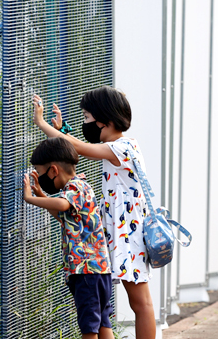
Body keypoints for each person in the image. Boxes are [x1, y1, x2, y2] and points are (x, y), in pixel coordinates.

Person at [32, 87, 156, 339]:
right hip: (118, 230)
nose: (85, 124)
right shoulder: (115, 148)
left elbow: (79, 147)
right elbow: (79, 149)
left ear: (105, 120)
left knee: (140, 303)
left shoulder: (123, 147)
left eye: (87, 118)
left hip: (128, 233)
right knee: (119, 308)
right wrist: (63, 131)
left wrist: (43, 123)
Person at [23, 137, 114, 339]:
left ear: (54, 170)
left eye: (41, 172)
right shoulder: (82, 186)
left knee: (89, 326)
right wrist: (42, 195)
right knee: (103, 323)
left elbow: (63, 206)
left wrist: (31, 198)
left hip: (86, 271)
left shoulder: (74, 188)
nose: (41, 178)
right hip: (101, 270)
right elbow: (65, 216)